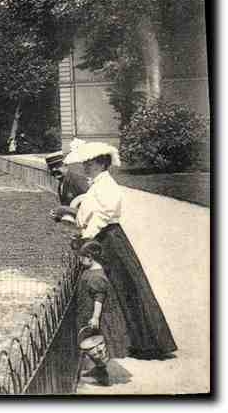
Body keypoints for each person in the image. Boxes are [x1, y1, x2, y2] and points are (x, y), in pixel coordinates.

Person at [50, 142, 177, 359]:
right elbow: (87, 214)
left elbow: (103, 215)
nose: (85, 167)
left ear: (101, 163)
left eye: (89, 163)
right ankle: (128, 340)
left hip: (110, 239)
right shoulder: (96, 185)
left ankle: (148, 343)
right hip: (102, 237)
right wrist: (70, 217)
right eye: (85, 163)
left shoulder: (107, 185)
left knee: (126, 286)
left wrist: (87, 236)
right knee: (116, 288)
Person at [75, 241, 129, 386]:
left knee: (96, 344)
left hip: (95, 314)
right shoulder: (94, 270)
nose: (80, 261)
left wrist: (95, 317)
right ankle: (99, 369)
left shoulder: (96, 277)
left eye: (81, 258)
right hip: (89, 311)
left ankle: (103, 375)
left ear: (90, 257)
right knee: (95, 343)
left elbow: (99, 298)